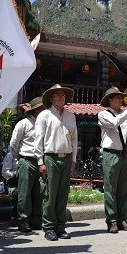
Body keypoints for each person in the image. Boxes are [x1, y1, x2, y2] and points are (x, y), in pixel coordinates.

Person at [35, 84, 78, 241]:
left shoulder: (71, 116)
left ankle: (60, 227)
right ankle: (49, 228)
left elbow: (74, 139)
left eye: (63, 95)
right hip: (51, 158)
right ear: (51, 98)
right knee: (50, 195)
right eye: (58, 95)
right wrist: (41, 161)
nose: (61, 97)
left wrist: (73, 159)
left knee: (62, 195)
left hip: (66, 158)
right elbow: (38, 140)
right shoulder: (44, 116)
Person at [98, 87, 127, 233]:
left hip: (125, 154)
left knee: (124, 189)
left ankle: (123, 219)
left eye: (121, 98)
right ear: (110, 100)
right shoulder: (103, 114)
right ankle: (112, 221)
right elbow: (115, 123)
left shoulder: (126, 114)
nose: (120, 100)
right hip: (111, 154)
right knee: (110, 189)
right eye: (117, 98)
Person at [10, 96, 45, 233]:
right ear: (36, 110)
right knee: (24, 192)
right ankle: (23, 221)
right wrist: (19, 158)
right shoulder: (24, 123)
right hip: (27, 159)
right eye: (42, 108)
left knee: (39, 192)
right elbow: (14, 143)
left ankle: (36, 220)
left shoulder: (45, 124)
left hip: (41, 161)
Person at [1, 151, 18, 221]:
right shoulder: (10, 155)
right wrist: (17, 173)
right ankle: (17, 214)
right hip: (12, 183)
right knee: (17, 193)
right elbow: (5, 173)